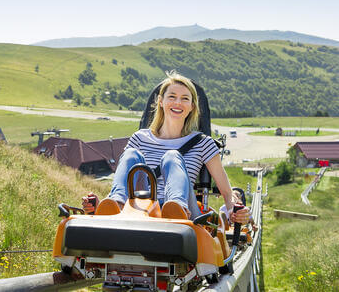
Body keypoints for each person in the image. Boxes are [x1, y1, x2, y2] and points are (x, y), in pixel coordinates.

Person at [82, 71, 250, 225]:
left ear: (192, 107)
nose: (178, 102)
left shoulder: (203, 143)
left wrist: (235, 211)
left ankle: (176, 207)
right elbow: (123, 180)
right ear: (161, 101)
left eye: (185, 98)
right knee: (131, 154)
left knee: (172, 156)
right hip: (141, 206)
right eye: (172, 96)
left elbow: (227, 194)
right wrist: (98, 203)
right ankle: (115, 204)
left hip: (184, 209)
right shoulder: (139, 138)